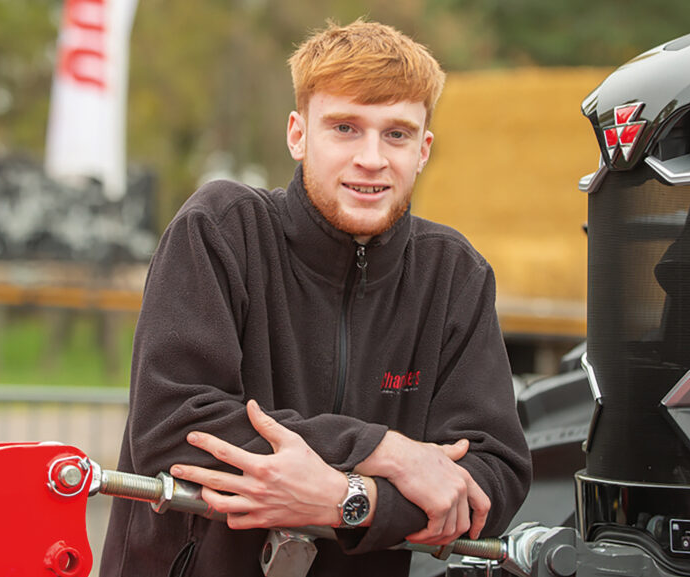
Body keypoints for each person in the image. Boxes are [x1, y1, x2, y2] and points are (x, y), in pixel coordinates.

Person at [100, 19, 531, 577]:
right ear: (298, 134)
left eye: (396, 134)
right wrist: (386, 452)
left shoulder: (455, 274)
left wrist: (346, 500)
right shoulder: (222, 228)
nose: (372, 158)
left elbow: (491, 479)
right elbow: (173, 430)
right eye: (345, 128)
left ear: (424, 149)